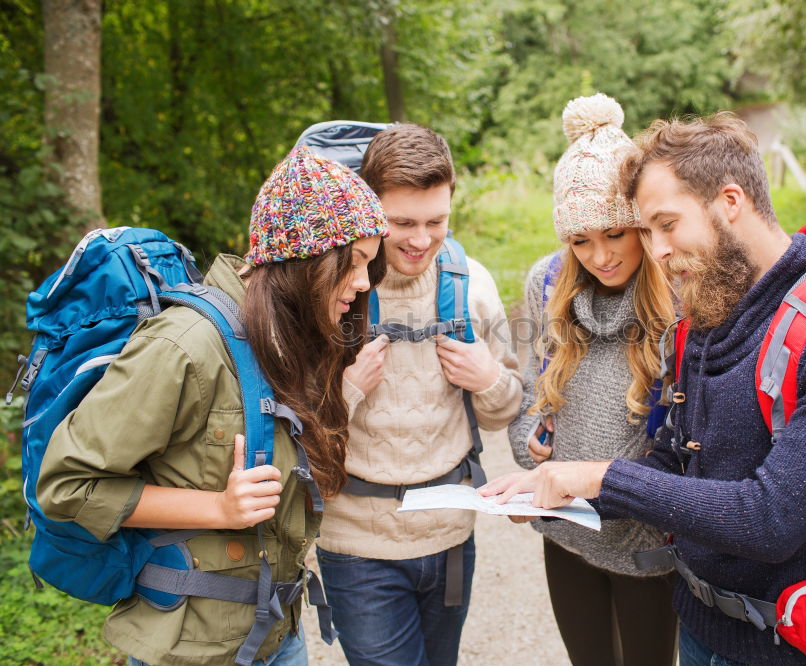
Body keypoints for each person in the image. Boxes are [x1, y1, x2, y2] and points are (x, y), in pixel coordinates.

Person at [481, 112, 806, 666]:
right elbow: (675, 462)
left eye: (664, 224)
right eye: (647, 230)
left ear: (729, 201)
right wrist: (556, 485)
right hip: (701, 626)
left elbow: (770, 519)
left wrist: (599, 476)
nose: (654, 251)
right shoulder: (713, 311)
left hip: (792, 647)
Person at [37, 146, 388, 666]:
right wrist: (217, 509)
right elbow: (65, 486)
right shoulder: (185, 346)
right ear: (306, 256)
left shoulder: (290, 335)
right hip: (194, 651)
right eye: (355, 261)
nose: (363, 282)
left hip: (277, 634)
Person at [315, 123, 523, 666]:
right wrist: (347, 391)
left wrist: (489, 380)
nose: (420, 240)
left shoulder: (469, 282)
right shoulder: (331, 291)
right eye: (401, 223)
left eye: (437, 222)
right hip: (359, 548)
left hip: (452, 537)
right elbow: (296, 431)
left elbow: (503, 412)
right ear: (367, 211)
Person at [506, 93, 678, 666]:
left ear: (641, 225)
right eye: (581, 240)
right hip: (568, 532)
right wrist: (533, 444)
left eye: (615, 234)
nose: (601, 256)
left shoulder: (679, 297)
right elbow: (534, 391)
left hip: (648, 541)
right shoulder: (548, 283)